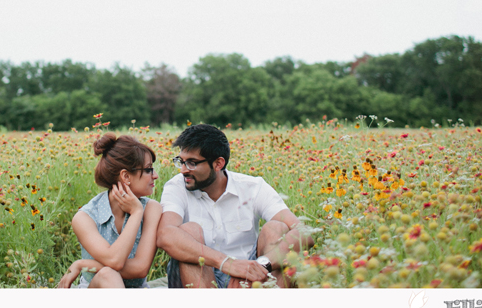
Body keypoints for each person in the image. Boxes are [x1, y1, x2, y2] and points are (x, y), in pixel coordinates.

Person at [157, 123, 313, 288]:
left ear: (218, 164)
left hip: (253, 275)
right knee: (189, 231)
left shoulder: (253, 187)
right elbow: (165, 234)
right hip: (199, 273)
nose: (183, 170)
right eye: (181, 161)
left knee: (276, 229)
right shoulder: (176, 187)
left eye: (192, 163)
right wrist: (227, 263)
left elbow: (303, 233)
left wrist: (259, 266)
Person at [57, 133, 162, 288]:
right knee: (108, 274)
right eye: (148, 170)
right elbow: (115, 261)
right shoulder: (86, 217)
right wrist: (136, 213)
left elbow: (140, 269)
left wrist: (83, 265)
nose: (156, 176)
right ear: (126, 176)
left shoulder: (152, 208)